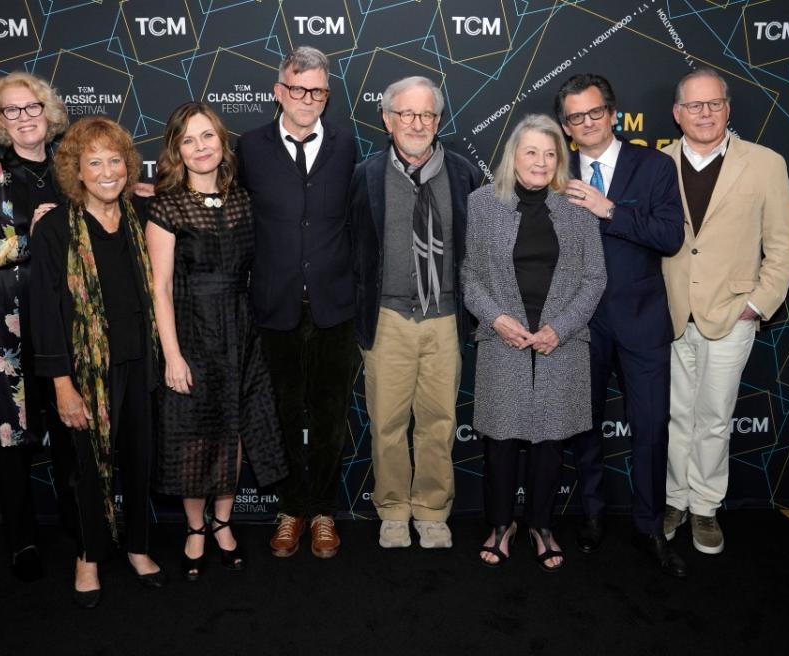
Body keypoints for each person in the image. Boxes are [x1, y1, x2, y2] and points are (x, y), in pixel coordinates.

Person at [146, 102, 288, 580]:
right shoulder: (166, 206)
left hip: (241, 330)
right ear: (176, 151)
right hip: (190, 332)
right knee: (193, 433)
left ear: (222, 142)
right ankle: (195, 528)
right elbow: (159, 289)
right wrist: (171, 355)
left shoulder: (244, 199)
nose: (200, 147)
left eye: (207, 136)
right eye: (188, 140)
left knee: (235, 428)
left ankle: (224, 523)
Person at [554, 74, 688, 577]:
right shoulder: (555, 169)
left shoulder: (652, 165)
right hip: (579, 323)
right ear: (566, 127)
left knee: (651, 429)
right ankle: (591, 515)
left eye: (594, 113)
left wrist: (608, 209)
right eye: (575, 117)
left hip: (642, 322)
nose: (586, 124)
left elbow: (669, 236)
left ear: (612, 113)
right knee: (584, 427)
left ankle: (649, 527)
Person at [29, 116, 165, 607]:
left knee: (139, 461)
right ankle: (88, 556)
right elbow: (44, 313)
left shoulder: (141, 213)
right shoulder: (53, 229)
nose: (108, 172)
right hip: (85, 374)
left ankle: (139, 547)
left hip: (138, 361)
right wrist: (62, 385)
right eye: (95, 163)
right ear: (76, 171)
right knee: (86, 468)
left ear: (128, 167)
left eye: (115, 161)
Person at [661, 68, 789, 555]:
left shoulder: (764, 164)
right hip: (674, 315)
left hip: (733, 313)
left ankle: (705, 508)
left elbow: (782, 245)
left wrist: (757, 304)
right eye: (694, 106)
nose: (705, 113)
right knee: (678, 416)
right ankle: (674, 499)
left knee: (715, 418)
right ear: (677, 114)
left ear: (728, 108)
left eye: (713, 103)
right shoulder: (657, 164)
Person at [463, 114, 606, 570]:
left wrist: (559, 329)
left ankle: (543, 527)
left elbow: (594, 277)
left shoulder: (578, 206)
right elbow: (468, 274)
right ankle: (500, 525)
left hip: (560, 342)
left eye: (550, 154)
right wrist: (498, 318)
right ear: (514, 156)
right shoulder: (482, 203)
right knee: (501, 442)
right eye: (531, 152)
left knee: (550, 442)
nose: (541, 162)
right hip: (502, 337)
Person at [236, 46, 358, 559]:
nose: (306, 98)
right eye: (297, 88)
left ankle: (324, 511)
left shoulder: (349, 146)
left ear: (326, 96)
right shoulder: (248, 147)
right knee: (283, 411)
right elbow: (215, 199)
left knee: (331, 413)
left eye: (317, 90)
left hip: (335, 305)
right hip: (274, 305)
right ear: (278, 91)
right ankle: (291, 509)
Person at [348, 76, 479, 549]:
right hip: (387, 319)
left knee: (439, 420)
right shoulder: (366, 175)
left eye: (426, 115)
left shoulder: (465, 174)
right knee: (385, 422)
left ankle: (430, 509)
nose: (416, 124)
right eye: (406, 114)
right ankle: (393, 510)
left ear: (438, 120)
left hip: (445, 319)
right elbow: (351, 249)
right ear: (387, 119)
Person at [0, 71, 73, 582]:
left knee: (74, 428)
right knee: (13, 436)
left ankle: (83, 529)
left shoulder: (73, 165)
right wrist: (31, 238)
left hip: (70, 315)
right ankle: (22, 541)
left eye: (32, 107)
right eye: (12, 110)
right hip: (8, 322)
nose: (24, 118)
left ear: (47, 112)